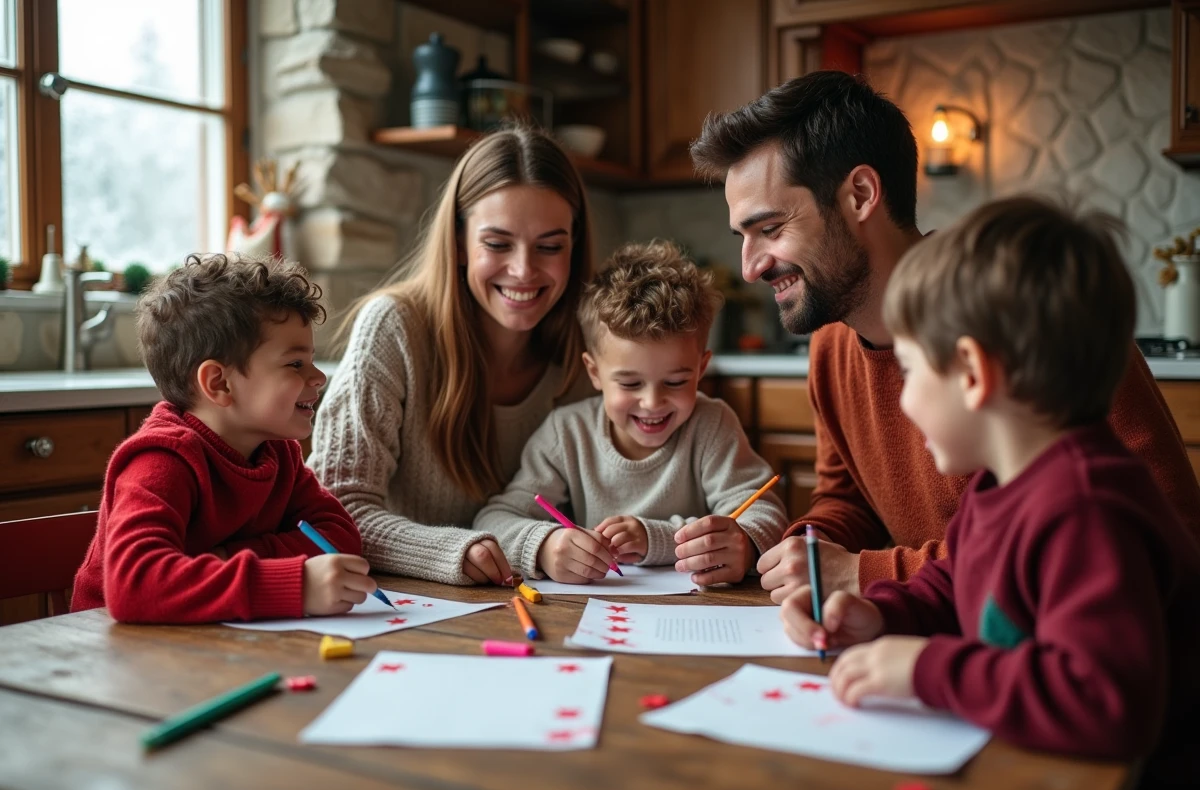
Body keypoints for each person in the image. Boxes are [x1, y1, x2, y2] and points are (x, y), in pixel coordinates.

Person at [690, 70, 1200, 600]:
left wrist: (867, 574)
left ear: (860, 195)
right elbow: (850, 503)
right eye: (742, 236)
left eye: (770, 229)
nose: (749, 268)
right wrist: (801, 556)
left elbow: (1164, 533)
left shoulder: (1029, 312)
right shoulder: (830, 344)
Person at [780, 196, 1200, 790]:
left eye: (911, 369)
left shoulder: (1088, 509)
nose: (901, 399)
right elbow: (961, 584)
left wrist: (927, 668)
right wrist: (882, 613)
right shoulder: (999, 485)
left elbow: (1104, 701)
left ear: (973, 374)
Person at [309, 126, 595, 586]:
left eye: (549, 246)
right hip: (406, 612)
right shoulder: (393, 328)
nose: (523, 270)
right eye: (498, 244)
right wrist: (455, 551)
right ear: (460, 242)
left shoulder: (587, 350)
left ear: (573, 247)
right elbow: (334, 511)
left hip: (541, 605)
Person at [72, 253, 372, 623]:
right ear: (219, 383)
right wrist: (294, 584)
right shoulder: (160, 460)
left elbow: (339, 537)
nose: (318, 377)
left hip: (211, 640)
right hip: (114, 655)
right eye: (295, 363)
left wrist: (228, 557)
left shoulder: (276, 454)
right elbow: (134, 585)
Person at [475, 241, 786, 584]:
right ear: (594, 372)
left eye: (675, 382)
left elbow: (765, 514)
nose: (652, 403)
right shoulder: (567, 433)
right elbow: (494, 519)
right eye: (630, 384)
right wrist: (545, 545)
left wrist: (743, 543)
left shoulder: (712, 424)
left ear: (701, 369)